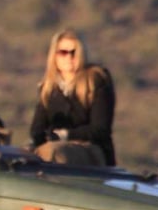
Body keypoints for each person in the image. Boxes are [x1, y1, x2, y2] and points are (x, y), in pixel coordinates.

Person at [29, 28, 116, 166]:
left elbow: (100, 129)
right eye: (63, 52)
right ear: (54, 55)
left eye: (74, 52)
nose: (69, 57)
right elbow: (37, 129)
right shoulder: (48, 87)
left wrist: (65, 135)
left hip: (91, 150)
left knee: (53, 152)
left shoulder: (97, 79)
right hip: (57, 147)